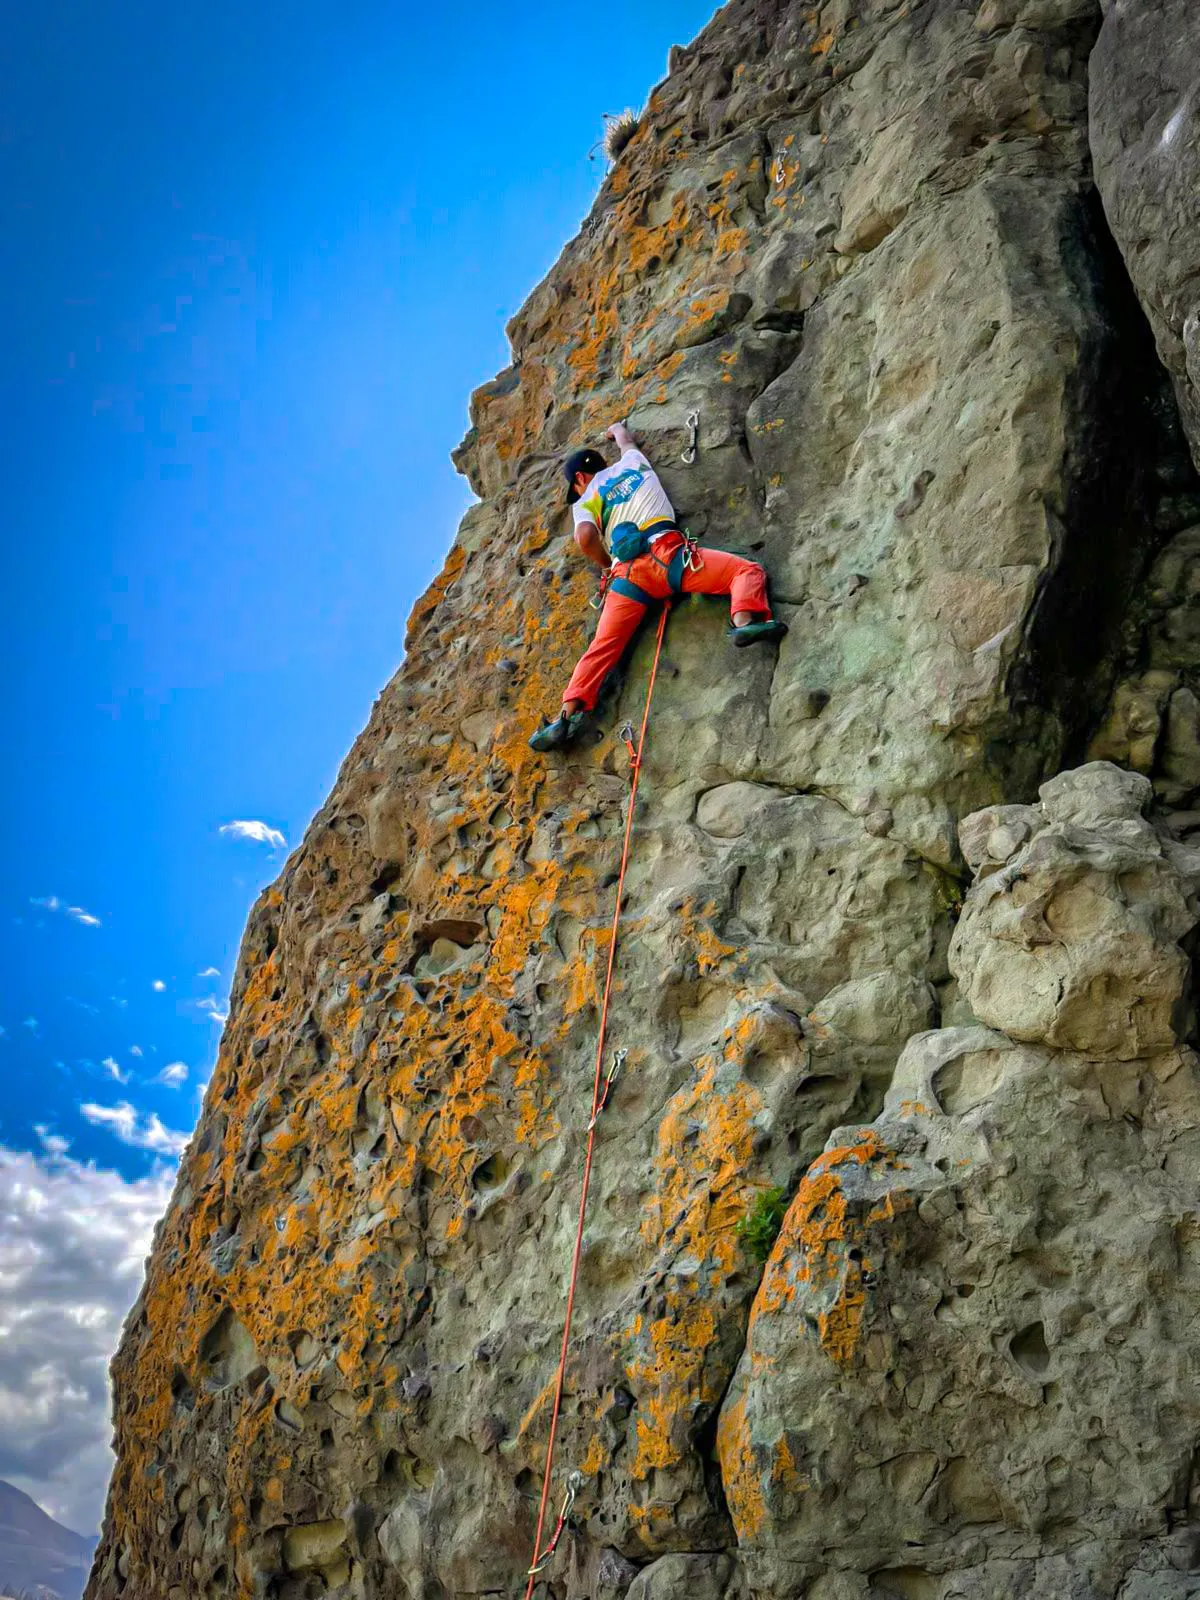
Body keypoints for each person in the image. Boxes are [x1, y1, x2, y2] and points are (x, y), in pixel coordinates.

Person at [529, 421, 788, 751]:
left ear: (579, 479)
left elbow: (584, 538)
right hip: (669, 556)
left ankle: (566, 717)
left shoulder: (586, 499)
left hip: (628, 578)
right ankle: (744, 623)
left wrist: (607, 565)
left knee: (603, 647)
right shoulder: (633, 462)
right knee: (745, 571)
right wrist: (616, 429)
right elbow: (625, 439)